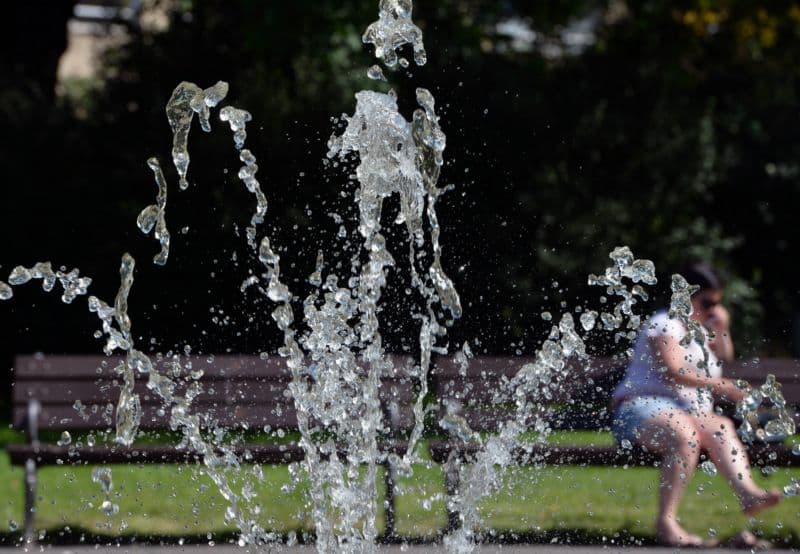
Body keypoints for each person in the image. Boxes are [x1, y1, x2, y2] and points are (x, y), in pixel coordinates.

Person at [611, 263, 782, 547]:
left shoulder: (701, 332)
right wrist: (721, 386)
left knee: (720, 426)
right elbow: (673, 371)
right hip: (640, 410)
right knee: (684, 435)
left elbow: (725, 358)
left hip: (684, 414)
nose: (713, 310)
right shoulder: (665, 324)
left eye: (718, 303)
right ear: (685, 295)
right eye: (708, 302)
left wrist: (723, 329)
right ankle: (666, 522)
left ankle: (748, 494)